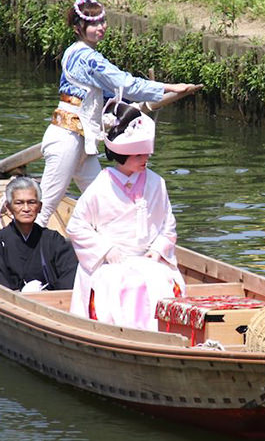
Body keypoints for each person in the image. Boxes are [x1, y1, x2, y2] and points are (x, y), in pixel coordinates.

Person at [36, 0, 195, 227]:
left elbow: (110, 96)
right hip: (66, 139)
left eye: (102, 22)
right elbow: (125, 84)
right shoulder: (85, 57)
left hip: (84, 140)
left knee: (104, 201)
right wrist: (169, 87)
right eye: (94, 25)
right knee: (45, 206)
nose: (101, 28)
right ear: (78, 28)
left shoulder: (80, 53)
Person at [67, 101, 185, 331]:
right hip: (110, 262)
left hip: (149, 259)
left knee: (162, 283)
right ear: (122, 155)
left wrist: (158, 250)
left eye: (146, 154)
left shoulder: (156, 182)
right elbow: (76, 226)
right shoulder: (100, 186)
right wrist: (106, 251)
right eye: (138, 155)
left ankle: (167, 333)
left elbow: (167, 225)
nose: (145, 160)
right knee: (123, 286)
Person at [0, 177, 78, 292]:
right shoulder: (2, 241)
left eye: (31, 202)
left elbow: (70, 276)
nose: (26, 209)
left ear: (40, 207)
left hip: (50, 303)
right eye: (19, 203)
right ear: (9, 208)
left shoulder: (53, 240)